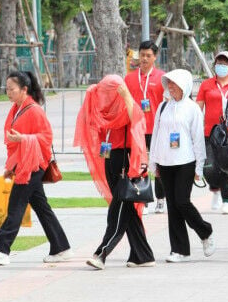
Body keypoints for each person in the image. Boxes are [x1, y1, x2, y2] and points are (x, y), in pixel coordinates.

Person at [0, 71, 73, 266]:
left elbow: (46, 138)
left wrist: (23, 139)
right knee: (41, 207)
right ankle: (61, 248)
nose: (8, 93)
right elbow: (13, 141)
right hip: (24, 164)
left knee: (16, 205)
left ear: (24, 90)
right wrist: (12, 166)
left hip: (34, 165)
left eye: (11, 89)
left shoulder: (34, 110)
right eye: (6, 89)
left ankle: (1, 250)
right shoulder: (17, 108)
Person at [75, 75, 155, 269]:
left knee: (118, 210)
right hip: (110, 160)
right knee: (125, 209)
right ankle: (142, 255)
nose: (103, 96)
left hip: (125, 163)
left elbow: (138, 118)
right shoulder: (105, 111)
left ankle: (102, 253)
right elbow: (88, 119)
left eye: (107, 92)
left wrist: (126, 96)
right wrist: (91, 93)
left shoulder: (127, 107)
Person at [148, 70, 215, 263]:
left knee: (182, 201)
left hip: (186, 161)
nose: (171, 87)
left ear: (184, 86)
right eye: (169, 84)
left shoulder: (192, 108)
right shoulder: (163, 107)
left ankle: (205, 231)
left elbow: (197, 139)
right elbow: (157, 135)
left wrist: (199, 168)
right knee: (173, 205)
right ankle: (179, 249)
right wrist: (154, 161)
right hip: (165, 162)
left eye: (174, 84)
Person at [196, 51, 228, 215]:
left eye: (225, 64)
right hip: (210, 132)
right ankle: (215, 188)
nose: (221, 67)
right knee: (209, 166)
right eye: (218, 63)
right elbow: (198, 108)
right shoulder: (207, 84)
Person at [124, 40, 167, 213]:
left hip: (157, 128)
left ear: (155, 57)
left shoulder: (162, 77)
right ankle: (144, 199)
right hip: (137, 129)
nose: (144, 59)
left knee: (159, 166)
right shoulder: (129, 78)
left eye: (148, 56)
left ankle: (161, 199)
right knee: (140, 165)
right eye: (142, 55)